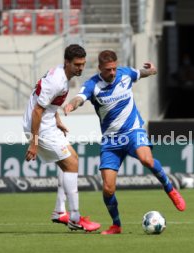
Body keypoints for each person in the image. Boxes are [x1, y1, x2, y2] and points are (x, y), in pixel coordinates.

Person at [63, 50, 186, 235]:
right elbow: (80, 98)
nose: (112, 73)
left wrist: (152, 70)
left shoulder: (125, 74)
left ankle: (170, 189)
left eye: (114, 68)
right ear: (99, 68)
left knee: (147, 160)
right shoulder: (92, 85)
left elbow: (141, 73)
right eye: (107, 70)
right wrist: (72, 105)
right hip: (111, 141)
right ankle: (116, 225)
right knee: (108, 188)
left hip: (133, 131)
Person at [23, 44, 100, 232]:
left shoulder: (62, 76)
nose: (80, 68)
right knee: (72, 162)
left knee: (67, 163)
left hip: (48, 124)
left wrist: (56, 120)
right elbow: (37, 111)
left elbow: (48, 104)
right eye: (77, 64)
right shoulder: (57, 81)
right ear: (67, 62)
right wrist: (34, 143)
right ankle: (74, 217)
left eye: (82, 64)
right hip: (40, 127)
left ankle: (60, 211)